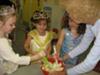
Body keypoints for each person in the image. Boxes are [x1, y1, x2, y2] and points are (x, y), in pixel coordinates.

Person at [0, 5, 47, 74]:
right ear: (0, 23)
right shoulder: (1, 42)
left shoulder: (4, 34)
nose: (14, 27)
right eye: (11, 25)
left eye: (14, 24)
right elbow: (15, 59)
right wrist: (37, 56)